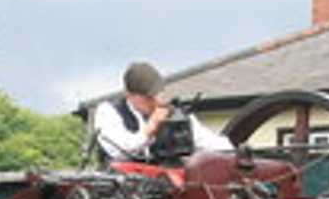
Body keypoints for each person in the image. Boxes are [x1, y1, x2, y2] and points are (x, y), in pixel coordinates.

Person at [92, 61, 231, 165]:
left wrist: (233, 153)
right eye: (147, 97)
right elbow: (120, 151)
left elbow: (209, 141)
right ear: (129, 95)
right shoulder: (108, 112)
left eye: (156, 94)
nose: (154, 101)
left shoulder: (174, 113)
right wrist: (151, 127)